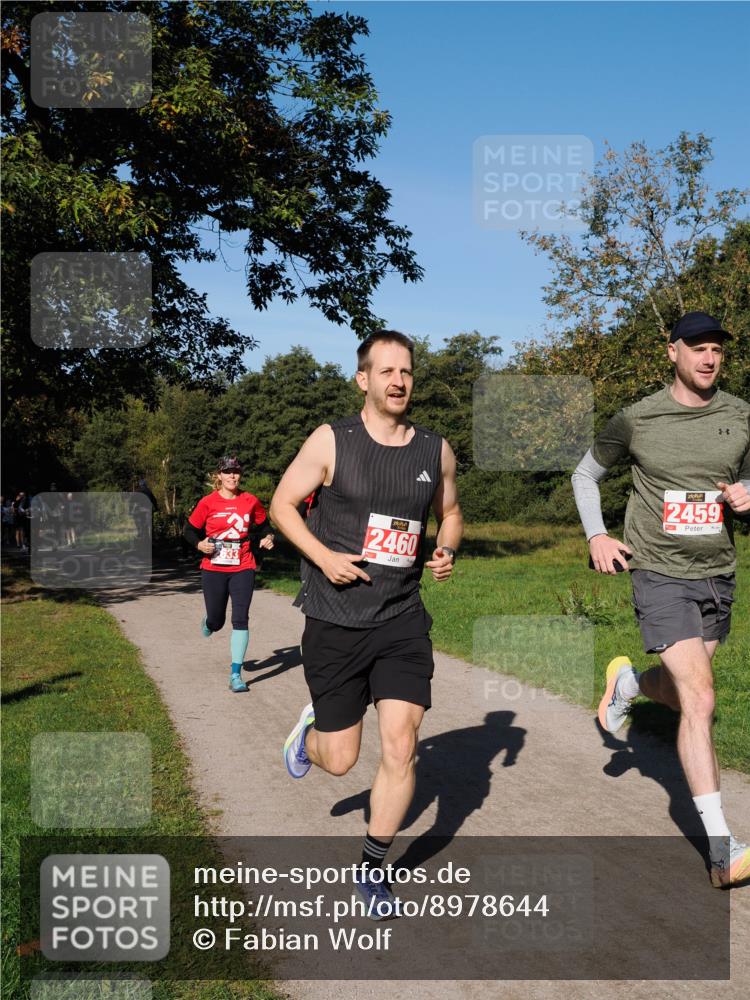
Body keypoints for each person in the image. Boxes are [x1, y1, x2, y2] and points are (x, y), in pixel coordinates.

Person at [270, 330, 463, 918]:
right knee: (342, 760)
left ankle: (373, 868)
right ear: (363, 379)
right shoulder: (332, 440)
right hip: (333, 621)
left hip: (401, 619)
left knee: (402, 745)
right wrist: (323, 557)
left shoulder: (436, 450)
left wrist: (446, 548)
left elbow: (449, 513)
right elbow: (281, 506)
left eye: (406, 371)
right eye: (386, 372)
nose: (398, 381)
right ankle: (310, 733)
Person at [572, 311, 750, 888]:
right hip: (658, 573)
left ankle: (626, 686)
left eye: (717, 349)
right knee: (700, 700)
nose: (708, 358)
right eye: (697, 348)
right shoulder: (637, 418)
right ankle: (722, 847)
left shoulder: (742, 416)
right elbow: (585, 474)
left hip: (717, 573)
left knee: (678, 693)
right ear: (671, 352)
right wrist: (597, 534)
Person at [183, 456, 275, 693]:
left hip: (243, 564)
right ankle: (210, 621)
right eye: (228, 472)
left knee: (241, 618)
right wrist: (199, 545)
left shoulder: (249, 500)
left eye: (236, 472)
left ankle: (236, 674)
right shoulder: (208, 502)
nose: (232, 476)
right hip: (214, 567)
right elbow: (190, 530)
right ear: (219, 476)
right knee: (217, 620)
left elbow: (265, 526)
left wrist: (268, 537)